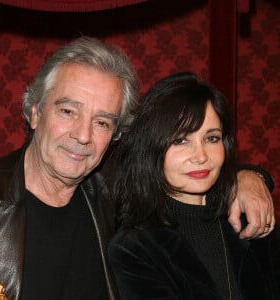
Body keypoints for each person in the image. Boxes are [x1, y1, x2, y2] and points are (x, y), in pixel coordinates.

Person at [0, 37, 275, 300]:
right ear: (35, 112)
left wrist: (249, 177)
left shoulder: (114, 191)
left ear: (115, 136)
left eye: (102, 122)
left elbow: (175, 164)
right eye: (68, 111)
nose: (83, 135)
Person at [108, 72, 280, 299]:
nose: (200, 156)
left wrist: (253, 176)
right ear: (151, 149)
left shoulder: (251, 216)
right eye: (180, 141)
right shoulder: (135, 248)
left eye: (211, 138)